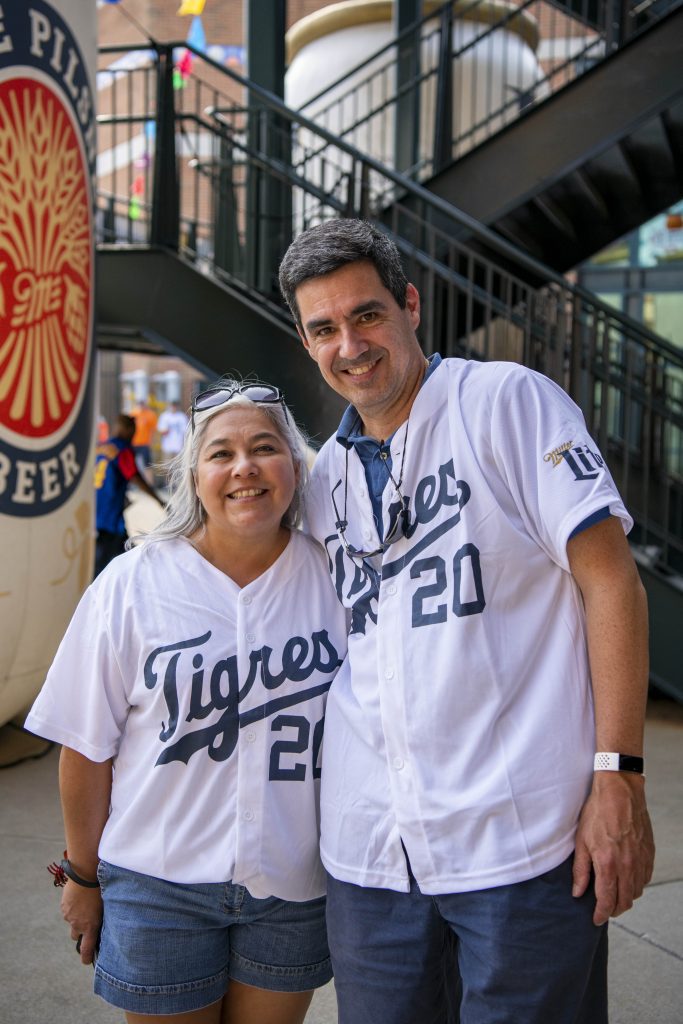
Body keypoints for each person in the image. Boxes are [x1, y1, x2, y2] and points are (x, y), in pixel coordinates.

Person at [278, 219, 655, 1024]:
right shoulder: (323, 481)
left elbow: (610, 581)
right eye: (324, 328)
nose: (350, 344)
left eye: (367, 314)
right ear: (306, 341)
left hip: (522, 843)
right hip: (371, 857)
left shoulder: (506, 402)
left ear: (410, 305)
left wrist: (617, 773)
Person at [25, 379, 348, 1024]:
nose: (244, 468)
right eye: (221, 453)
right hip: (158, 885)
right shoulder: (132, 583)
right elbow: (85, 747)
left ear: (295, 465)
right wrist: (83, 878)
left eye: (265, 447)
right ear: (194, 475)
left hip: (294, 883)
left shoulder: (339, 579)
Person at [94, 414, 164, 577]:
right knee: (109, 561)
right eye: (132, 430)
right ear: (124, 429)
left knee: (119, 553)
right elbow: (135, 477)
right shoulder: (122, 449)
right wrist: (158, 500)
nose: (133, 434)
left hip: (97, 510)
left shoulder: (101, 447)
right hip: (110, 516)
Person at [131, 397, 158, 481]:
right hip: (134, 443)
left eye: (142, 403)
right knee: (131, 465)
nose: (141, 405)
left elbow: (153, 430)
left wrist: (151, 442)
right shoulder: (133, 413)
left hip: (144, 443)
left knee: (147, 465)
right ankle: (132, 484)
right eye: (140, 403)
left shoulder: (150, 414)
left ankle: (149, 483)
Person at [157, 399, 190, 464]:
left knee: (178, 465)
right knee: (167, 465)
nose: (173, 407)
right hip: (167, 446)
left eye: (175, 406)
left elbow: (186, 431)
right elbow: (161, 429)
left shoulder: (182, 416)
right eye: (172, 406)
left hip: (179, 446)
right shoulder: (164, 416)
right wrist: (165, 431)